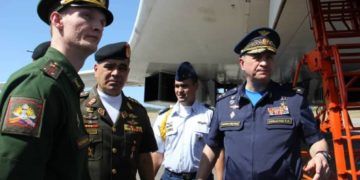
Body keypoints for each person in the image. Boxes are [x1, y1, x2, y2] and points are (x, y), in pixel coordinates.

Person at [196, 27, 331, 180]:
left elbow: (316, 140)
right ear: (242, 63)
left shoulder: (294, 101)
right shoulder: (224, 104)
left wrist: (322, 155)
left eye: (269, 57)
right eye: (257, 57)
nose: (264, 62)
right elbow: (212, 146)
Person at [0, 0, 113, 179]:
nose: (98, 27)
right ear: (57, 20)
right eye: (86, 16)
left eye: (102, 22)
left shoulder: (65, 85)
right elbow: (15, 170)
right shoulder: (40, 84)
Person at [80, 42, 158, 180]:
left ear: (127, 72)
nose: (116, 73)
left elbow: (144, 158)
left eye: (122, 68)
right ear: (96, 69)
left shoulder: (138, 112)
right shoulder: (78, 105)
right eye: (109, 66)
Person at [151, 61, 224, 180]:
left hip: (200, 176)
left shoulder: (209, 115)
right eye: (177, 86)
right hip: (170, 177)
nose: (179, 90)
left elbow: (218, 152)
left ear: (196, 86)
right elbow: (157, 154)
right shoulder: (164, 117)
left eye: (184, 86)